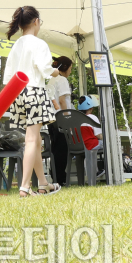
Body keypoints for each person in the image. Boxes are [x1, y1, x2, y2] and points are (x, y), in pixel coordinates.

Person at [2, 5, 62, 197]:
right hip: (35, 91)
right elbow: (45, 69)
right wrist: (56, 71)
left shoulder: (17, 44)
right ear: (36, 21)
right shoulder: (39, 44)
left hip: (18, 93)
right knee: (32, 140)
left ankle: (43, 183)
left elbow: (8, 76)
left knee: (35, 141)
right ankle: (25, 187)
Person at [46, 56, 74, 185]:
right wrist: (67, 119)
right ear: (66, 68)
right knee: (62, 150)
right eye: (70, 68)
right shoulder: (62, 80)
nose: (70, 71)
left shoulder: (51, 80)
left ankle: (56, 177)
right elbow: (63, 101)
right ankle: (61, 179)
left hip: (51, 119)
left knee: (55, 149)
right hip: (60, 118)